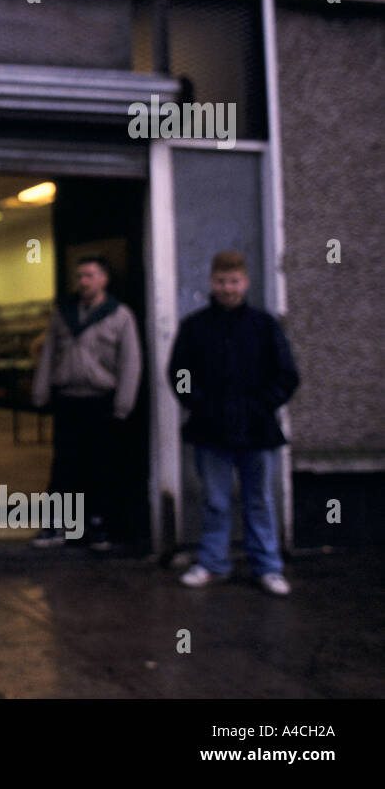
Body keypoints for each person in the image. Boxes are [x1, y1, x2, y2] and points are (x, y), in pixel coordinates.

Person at [168, 250, 300, 596]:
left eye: (234, 281)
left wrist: (260, 406)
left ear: (246, 282)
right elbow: (179, 374)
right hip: (211, 429)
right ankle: (213, 563)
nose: (228, 288)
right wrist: (198, 404)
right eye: (222, 282)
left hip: (257, 429)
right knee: (216, 500)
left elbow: (287, 375)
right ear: (212, 282)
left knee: (259, 500)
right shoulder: (195, 327)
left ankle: (268, 567)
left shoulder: (264, 325)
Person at [31, 256, 141, 550]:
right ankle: (56, 526)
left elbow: (131, 362)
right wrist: (40, 392)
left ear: (104, 279)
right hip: (68, 400)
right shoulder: (62, 314)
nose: (83, 282)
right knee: (64, 465)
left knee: (100, 465)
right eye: (79, 276)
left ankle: (97, 524)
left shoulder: (119, 315)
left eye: (90, 275)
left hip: (100, 401)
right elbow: (47, 355)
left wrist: (123, 405)